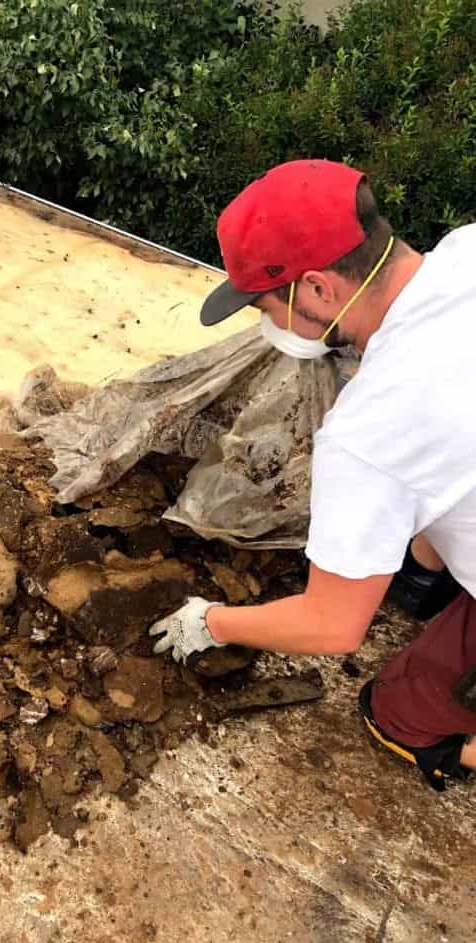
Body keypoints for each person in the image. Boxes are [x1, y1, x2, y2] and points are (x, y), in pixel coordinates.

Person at [150, 159, 476, 790]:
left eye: (269, 306)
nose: (268, 325)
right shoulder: (466, 249)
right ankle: (430, 577)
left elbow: (332, 627)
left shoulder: (372, 429)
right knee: (428, 515)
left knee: (399, 715)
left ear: (321, 289)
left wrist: (211, 622)